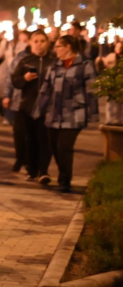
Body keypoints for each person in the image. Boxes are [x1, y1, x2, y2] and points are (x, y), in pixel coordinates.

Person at [35, 35, 98, 193]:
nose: (55, 50)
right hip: (54, 114)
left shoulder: (84, 64)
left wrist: (93, 113)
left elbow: (92, 90)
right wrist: (38, 109)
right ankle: (63, 173)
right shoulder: (55, 65)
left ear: (68, 47)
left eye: (58, 47)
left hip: (74, 113)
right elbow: (46, 89)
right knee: (55, 147)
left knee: (64, 147)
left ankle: (65, 180)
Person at [11, 30, 53, 183]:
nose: (39, 44)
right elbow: (15, 81)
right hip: (28, 106)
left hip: (47, 107)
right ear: (30, 43)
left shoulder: (53, 61)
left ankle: (43, 171)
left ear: (47, 43)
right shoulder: (25, 61)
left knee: (45, 139)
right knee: (30, 139)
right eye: (36, 41)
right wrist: (25, 78)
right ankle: (31, 170)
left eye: (42, 41)